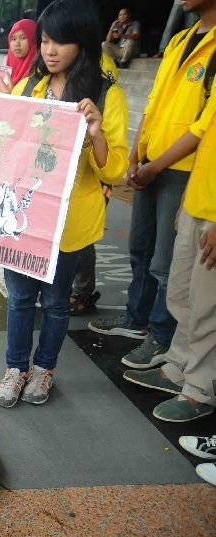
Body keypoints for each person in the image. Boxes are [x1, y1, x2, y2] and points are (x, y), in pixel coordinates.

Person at [0, 0, 129, 407]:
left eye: (61, 40)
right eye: (45, 40)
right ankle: (15, 367)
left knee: (57, 302)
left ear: (83, 43)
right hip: (24, 222)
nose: (50, 49)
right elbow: (0, 147)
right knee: (21, 298)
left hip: (72, 221)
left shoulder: (107, 96)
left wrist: (95, 132)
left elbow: (114, 172)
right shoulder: (28, 89)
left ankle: (44, 370)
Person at [88, 0, 215, 370]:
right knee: (140, 248)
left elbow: (205, 124)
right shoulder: (180, 40)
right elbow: (153, 104)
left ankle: (162, 335)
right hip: (150, 161)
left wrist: (157, 165)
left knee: (166, 261)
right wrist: (134, 157)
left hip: (183, 168)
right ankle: (136, 319)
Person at [121, 111, 215, 422]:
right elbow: (204, 137)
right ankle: (178, 365)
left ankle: (200, 389)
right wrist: (188, 197)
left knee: (207, 306)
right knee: (180, 292)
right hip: (198, 201)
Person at [6, 18, 38, 85]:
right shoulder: (5, 73)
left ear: (34, 40)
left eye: (23, 37)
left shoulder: (39, 74)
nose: (17, 43)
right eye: (13, 39)